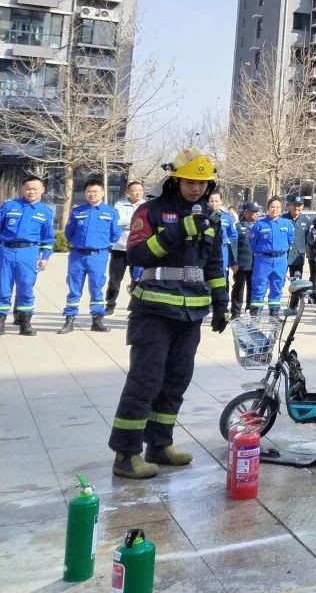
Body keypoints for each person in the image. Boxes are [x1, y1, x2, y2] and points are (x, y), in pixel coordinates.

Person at [108, 148, 227, 478]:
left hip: (191, 313)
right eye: (190, 181)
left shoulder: (211, 218)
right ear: (175, 180)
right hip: (154, 310)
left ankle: (159, 445)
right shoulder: (151, 211)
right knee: (146, 380)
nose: (196, 188)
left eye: (202, 183)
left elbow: (214, 265)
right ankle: (126, 453)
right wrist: (177, 231)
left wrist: (221, 302)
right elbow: (136, 255)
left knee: (176, 380)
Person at [58, 176, 122, 334]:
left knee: (96, 288)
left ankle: (97, 320)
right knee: (74, 288)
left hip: (98, 256)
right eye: (89, 191)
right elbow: (69, 233)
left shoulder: (111, 212)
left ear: (102, 192)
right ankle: (70, 320)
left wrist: (102, 245)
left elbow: (115, 234)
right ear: (85, 193)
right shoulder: (77, 211)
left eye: (95, 191)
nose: (92, 194)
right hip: (77, 256)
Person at [0, 174, 56, 336]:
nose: (31, 192)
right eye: (28, 189)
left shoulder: (45, 212)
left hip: (28, 253)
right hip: (6, 252)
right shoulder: (9, 206)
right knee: (3, 288)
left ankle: (25, 323)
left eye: (35, 189)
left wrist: (45, 257)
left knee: (26, 288)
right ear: (22, 189)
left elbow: (48, 238)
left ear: (42, 190)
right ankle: (1, 321)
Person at [248, 196, 294, 316]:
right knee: (259, 285)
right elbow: (252, 243)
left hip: (280, 260)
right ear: (268, 208)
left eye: (277, 207)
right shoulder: (259, 225)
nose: (275, 209)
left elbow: (290, 240)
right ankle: (256, 312)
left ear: (281, 209)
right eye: (272, 207)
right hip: (263, 260)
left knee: (277, 285)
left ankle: (274, 311)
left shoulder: (287, 224)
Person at [106, 180, 146, 316]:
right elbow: (117, 221)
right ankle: (110, 305)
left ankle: (134, 307)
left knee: (137, 280)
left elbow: (146, 223)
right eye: (134, 190)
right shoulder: (119, 204)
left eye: (140, 190)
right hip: (120, 248)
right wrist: (135, 222)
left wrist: (128, 223)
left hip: (138, 248)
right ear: (128, 192)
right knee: (114, 280)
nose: (137, 193)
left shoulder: (146, 206)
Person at [230, 202, 259, 319]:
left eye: (257, 212)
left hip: (256, 264)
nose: (256, 214)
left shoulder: (259, 225)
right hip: (241, 264)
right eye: (253, 212)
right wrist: (234, 262)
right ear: (246, 212)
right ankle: (235, 312)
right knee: (238, 288)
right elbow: (233, 245)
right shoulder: (237, 226)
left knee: (253, 288)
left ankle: (251, 310)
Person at [207, 191, 238, 297]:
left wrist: (225, 242)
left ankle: (221, 298)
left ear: (221, 201)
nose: (213, 203)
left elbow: (233, 235)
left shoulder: (227, 217)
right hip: (207, 249)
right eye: (211, 201)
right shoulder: (203, 215)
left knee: (222, 274)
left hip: (222, 250)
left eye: (216, 201)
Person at [285, 197, 308, 281]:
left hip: (297, 257)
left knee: (296, 282)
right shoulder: (283, 219)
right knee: (279, 281)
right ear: (290, 205)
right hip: (283, 255)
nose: (297, 207)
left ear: (303, 206)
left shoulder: (306, 220)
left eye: (299, 205)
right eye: (294, 205)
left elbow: (308, 239)